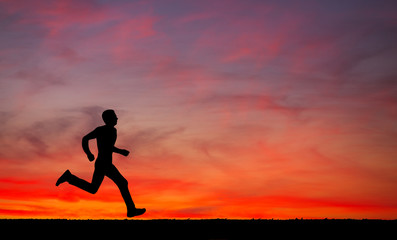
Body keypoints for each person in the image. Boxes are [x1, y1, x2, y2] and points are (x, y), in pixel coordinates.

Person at [56, 109, 146, 217]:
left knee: (93, 189)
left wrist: (89, 154)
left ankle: (69, 177)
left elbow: (92, 141)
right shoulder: (105, 130)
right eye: (114, 116)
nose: (117, 118)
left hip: (103, 163)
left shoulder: (110, 130)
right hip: (104, 164)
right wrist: (89, 153)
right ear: (108, 119)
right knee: (122, 183)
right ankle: (131, 210)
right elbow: (92, 141)